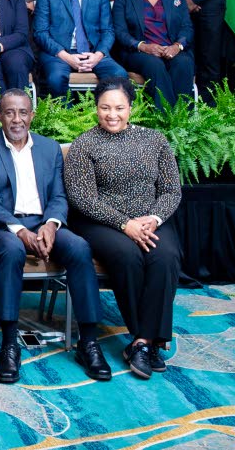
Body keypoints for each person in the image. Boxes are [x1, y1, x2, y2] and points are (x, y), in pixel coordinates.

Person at [0, 89, 111, 383]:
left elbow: (59, 195)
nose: (16, 119)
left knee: (80, 248)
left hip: (43, 223)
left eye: (23, 112)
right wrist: (20, 231)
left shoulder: (49, 148)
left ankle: (88, 341)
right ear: (0, 116)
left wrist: (51, 224)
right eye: (9, 112)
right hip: (1, 226)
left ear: (32, 115)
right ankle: (9, 343)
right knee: (12, 249)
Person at [64, 78, 182, 379]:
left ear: (131, 108)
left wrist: (153, 218)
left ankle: (142, 343)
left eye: (119, 108)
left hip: (148, 218)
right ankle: (148, 340)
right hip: (99, 220)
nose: (111, 114)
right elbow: (82, 198)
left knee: (165, 255)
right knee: (127, 255)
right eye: (105, 107)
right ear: (96, 108)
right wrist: (123, 223)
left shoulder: (154, 139)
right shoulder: (84, 144)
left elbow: (171, 190)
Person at [33, 0, 126, 98]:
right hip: (59, 53)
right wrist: (67, 57)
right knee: (55, 78)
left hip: (93, 52)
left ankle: (102, 117)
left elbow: (108, 30)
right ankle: (67, 120)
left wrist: (98, 55)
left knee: (119, 75)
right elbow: (40, 32)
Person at [112, 0, 194, 105]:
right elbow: (119, 31)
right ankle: (166, 120)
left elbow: (187, 27)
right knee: (154, 64)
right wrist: (143, 46)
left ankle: (183, 120)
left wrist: (177, 46)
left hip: (171, 49)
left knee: (183, 63)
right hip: (139, 52)